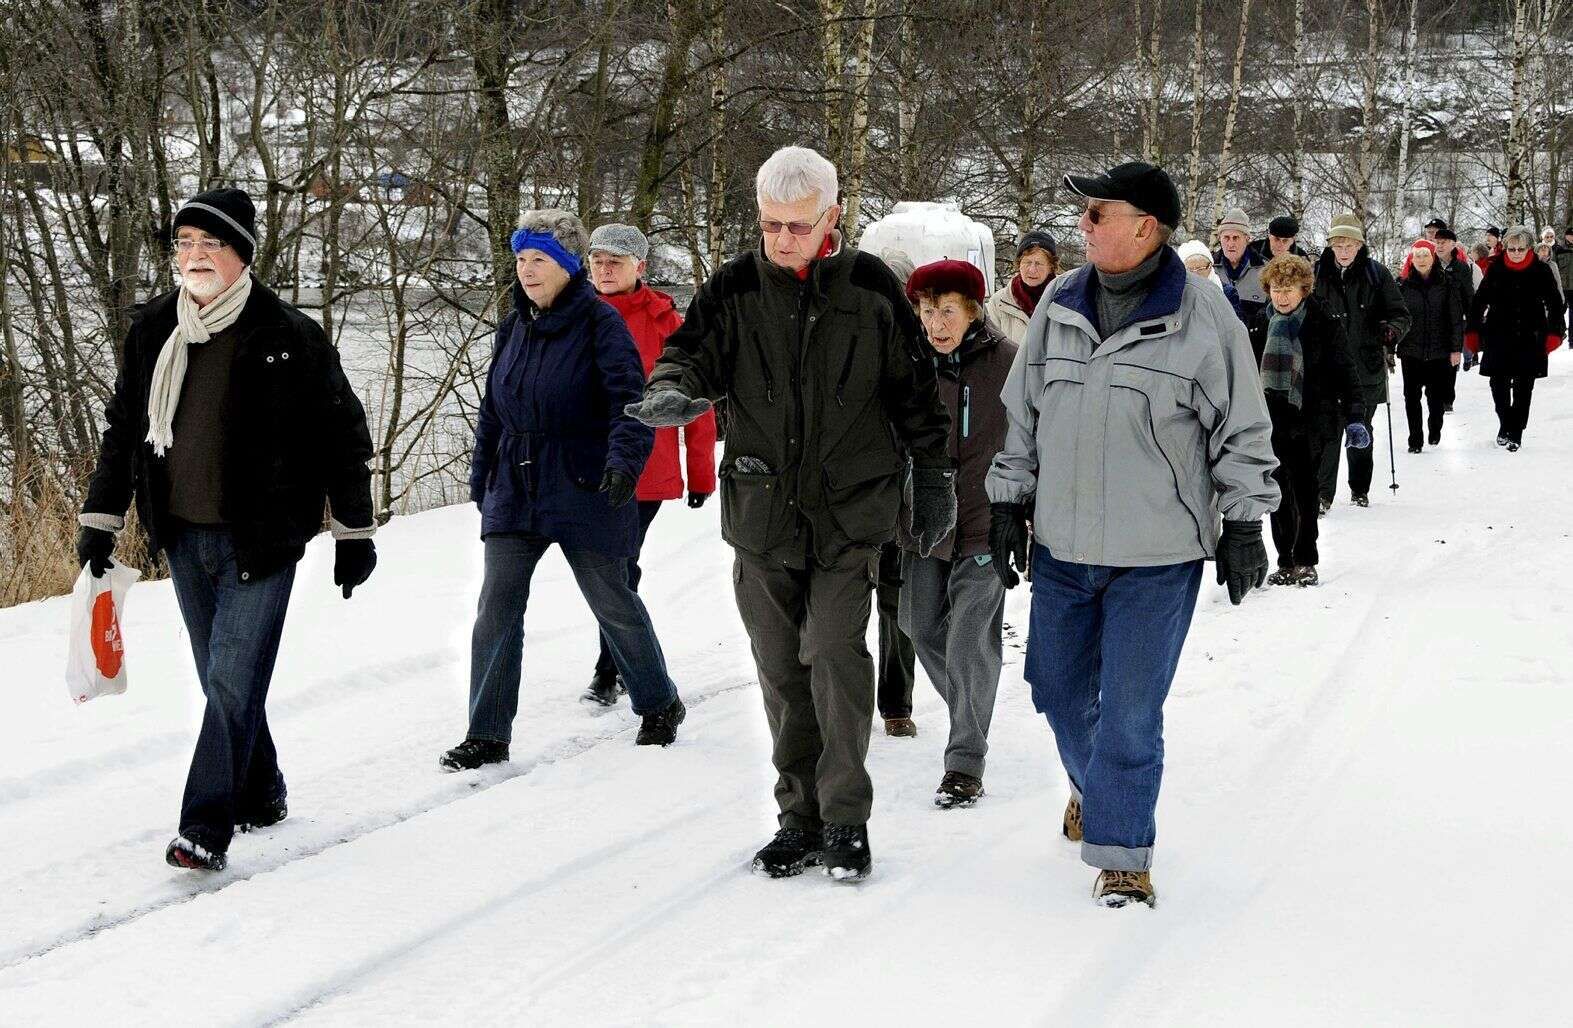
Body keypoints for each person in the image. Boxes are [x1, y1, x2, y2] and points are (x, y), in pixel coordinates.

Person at [626, 146, 954, 883]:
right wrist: (672, 389)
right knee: (779, 671)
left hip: (850, 512)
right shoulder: (735, 287)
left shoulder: (871, 288)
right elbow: (690, 355)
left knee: (834, 655)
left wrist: (933, 478)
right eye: (770, 224)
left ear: (832, 217)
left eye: (797, 226)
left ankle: (844, 820)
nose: (781, 239)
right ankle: (797, 818)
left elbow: (914, 393)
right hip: (762, 512)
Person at [986, 161, 1279, 908]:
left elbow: (1243, 429)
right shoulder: (1059, 302)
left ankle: (1122, 854)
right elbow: (1022, 416)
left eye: (1097, 213)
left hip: (1157, 557)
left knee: (1129, 712)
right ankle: (1095, 788)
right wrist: (1007, 501)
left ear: (1145, 227)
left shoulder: (1205, 318)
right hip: (1062, 548)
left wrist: (1245, 521)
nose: (1081, 225)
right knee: (1055, 691)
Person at [76, 188, 379, 872]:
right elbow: (125, 430)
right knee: (222, 680)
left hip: (262, 538)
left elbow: (341, 438)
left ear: (242, 254)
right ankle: (262, 791)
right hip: (183, 536)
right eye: (184, 243)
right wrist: (101, 518)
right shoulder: (155, 328)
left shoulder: (288, 335)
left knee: (233, 682)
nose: (195, 256)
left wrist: (354, 533)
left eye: (210, 243)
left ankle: (205, 826)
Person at [442, 209, 688, 772]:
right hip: (516, 483)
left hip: (584, 481)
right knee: (496, 606)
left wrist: (623, 464)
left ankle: (659, 703)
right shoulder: (514, 326)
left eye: (540, 260)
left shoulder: (602, 324)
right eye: (520, 259)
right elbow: (492, 410)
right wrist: (482, 476)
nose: (526, 270)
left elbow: (631, 403)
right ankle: (487, 734)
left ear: (568, 266)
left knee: (611, 599)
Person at [579, 223, 717, 708]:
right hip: (582, 465)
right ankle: (616, 664)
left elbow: (696, 404)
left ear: (639, 266)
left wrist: (700, 473)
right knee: (604, 567)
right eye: (597, 260)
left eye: (615, 261)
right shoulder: (573, 314)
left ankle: (609, 669)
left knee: (619, 566)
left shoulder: (666, 323)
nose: (604, 269)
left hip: (644, 469)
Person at [896, 260, 1016, 809]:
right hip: (923, 522)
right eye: (927, 311)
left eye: (947, 311)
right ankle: (972, 705)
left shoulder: (1009, 364)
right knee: (918, 626)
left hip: (987, 523)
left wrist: (1023, 509)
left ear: (973, 311)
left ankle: (964, 761)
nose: (936, 323)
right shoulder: (909, 363)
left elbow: (1034, 440)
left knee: (970, 641)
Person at [1248, 254, 1365, 587]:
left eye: (1289, 289)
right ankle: (1284, 560)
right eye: (1276, 289)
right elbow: (1245, 372)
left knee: (1305, 490)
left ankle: (1305, 559)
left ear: (1303, 289)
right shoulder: (1260, 323)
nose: (1282, 297)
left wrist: (1356, 416)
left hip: (1312, 416)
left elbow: (1346, 370)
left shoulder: (1323, 321)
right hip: (1271, 418)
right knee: (1278, 490)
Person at [1310, 213, 1410, 509]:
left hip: (1365, 367)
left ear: (1359, 246)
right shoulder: (1316, 273)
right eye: (1338, 245)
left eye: (1349, 246)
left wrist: (1392, 331)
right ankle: (1322, 494)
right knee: (1327, 433)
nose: (1343, 252)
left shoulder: (1376, 274)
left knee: (1360, 429)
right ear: (1330, 246)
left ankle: (1359, 489)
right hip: (1326, 368)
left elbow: (1401, 314)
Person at [863, 248, 920, 738]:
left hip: (904, 492)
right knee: (842, 602)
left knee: (897, 600)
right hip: (855, 491)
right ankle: (843, 701)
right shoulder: (848, 336)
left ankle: (896, 701)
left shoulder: (923, 345)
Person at [1466, 225, 1567, 451]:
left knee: (1524, 386)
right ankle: (1505, 423)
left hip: (1530, 335)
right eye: (1512, 249)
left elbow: (1555, 303)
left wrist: (1554, 332)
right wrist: (1473, 330)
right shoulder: (1496, 268)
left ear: (1529, 248)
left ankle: (1516, 432)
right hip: (1498, 334)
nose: (1516, 253)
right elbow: (1479, 301)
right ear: (1505, 248)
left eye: (1521, 249)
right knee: (1498, 384)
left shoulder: (1541, 270)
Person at [1395, 239, 1465, 452]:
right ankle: (1415, 439)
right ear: (1411, 259)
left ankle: (1435, 428)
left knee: (1435, 398)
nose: (1422, 259)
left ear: (1433, 258)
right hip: (1411, 351)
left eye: (1426, 254)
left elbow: (1455, 318)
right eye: (1418, 255)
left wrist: (1456, 349)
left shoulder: (1446, 283)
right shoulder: (1402, 285)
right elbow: (1394, 316)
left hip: (1439, 352)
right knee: (1411, 397)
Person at [987, 230, 1058, 344]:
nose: (1032, 270)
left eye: (1039, 263)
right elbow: (991, 348)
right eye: (1027, 262)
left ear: (1051, 267)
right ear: (1019, 263)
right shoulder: (998, 302)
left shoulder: (1066, 299)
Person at [1434, 227, 1477, 388]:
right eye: (1437, 243)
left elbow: (1468, 296)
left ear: (1453, 245)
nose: (1439, 246)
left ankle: (1446, 395)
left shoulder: (1461, 267)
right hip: (1433, 322)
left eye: (1443, 243)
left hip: (1454, 322)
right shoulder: (1430, 264)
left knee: (1451, 364)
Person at [1213, 208, 1267, 324]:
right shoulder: (1209, 268)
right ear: (1220, 239)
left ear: (1247, 239)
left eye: (1236, 238)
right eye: (1226, 238)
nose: (1230, 244)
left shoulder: (1265, 270)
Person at [1178, 239, 1241, 316]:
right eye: (1190, 270)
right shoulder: (1175, 293)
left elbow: (1235, 321)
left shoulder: (1227, 292)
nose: (1195, 274)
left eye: (1201, 269)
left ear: (1210, 267)